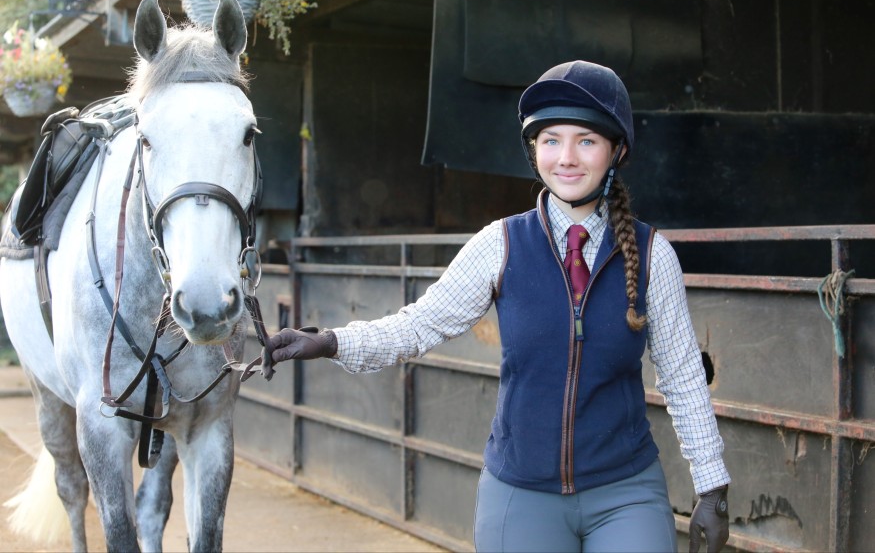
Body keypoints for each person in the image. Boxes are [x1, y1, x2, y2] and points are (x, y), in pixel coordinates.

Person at [265, 60, 731, 553]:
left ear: (616, 151)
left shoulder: (653, 254)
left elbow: (682, 376)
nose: (566, 158)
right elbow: (419, 325)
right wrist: (331, 342)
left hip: (625, 490)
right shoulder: (500, 244)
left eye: (586, 141)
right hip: (522, 491)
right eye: (551, 140)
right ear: (534, 150)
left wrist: (712, 487)